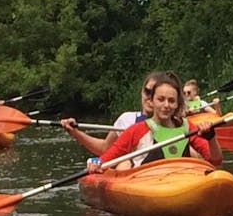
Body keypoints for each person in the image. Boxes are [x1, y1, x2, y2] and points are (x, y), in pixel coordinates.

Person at [86, 71, 222, 174]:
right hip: (148, 182)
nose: (166, 105)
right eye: (161, 99)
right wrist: (97, 163)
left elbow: (215, 160)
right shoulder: (137, 130)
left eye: (171, 101)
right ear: (152, 101)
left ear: (177, 104)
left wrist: (211, 137)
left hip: (181, 180)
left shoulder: (187, 127)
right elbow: (110, 155)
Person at [60, 71, 162, 156]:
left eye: (155, 94)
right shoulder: (126, 120)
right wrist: (75, 133)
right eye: (147, 92)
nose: (149, 97)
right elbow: (105, 149)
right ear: (142, 92)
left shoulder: (173, 123)